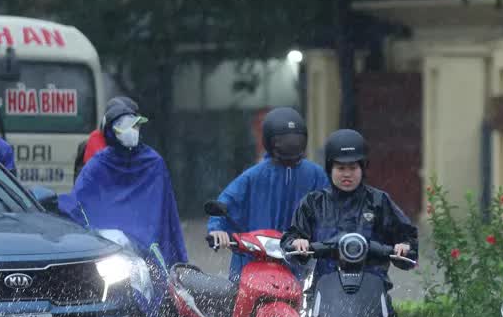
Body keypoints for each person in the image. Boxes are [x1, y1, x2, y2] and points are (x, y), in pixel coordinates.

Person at [281, 129, 418, 317]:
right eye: (341, 168)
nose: (347, 174)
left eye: (353, 168)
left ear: (363, 168)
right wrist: (297, 242)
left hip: (373, 294)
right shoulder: (313, 203)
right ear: (330, 168)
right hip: (322, 295)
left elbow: (408, 238)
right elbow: (290, 241)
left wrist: (404, 247)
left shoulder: (379, 202)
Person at [58, 96, 187, 268]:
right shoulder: (97, 164)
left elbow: (167, 216)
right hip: (112, 250)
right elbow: (79, 203)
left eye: (134, 125)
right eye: (122, 126)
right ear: (111, 130)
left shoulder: (153, 163)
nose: (131, 130)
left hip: (147, 250)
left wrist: (175, 258)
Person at [207, 107, 329, 280]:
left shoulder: (315, 175)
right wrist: (217, 230)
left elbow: (330, 210)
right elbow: (227, 202)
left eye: (295, 140)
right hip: (253, 263)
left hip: (301, 267)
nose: (290, 145)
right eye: (283, 140)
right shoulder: (254, 176)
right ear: (269, 141)